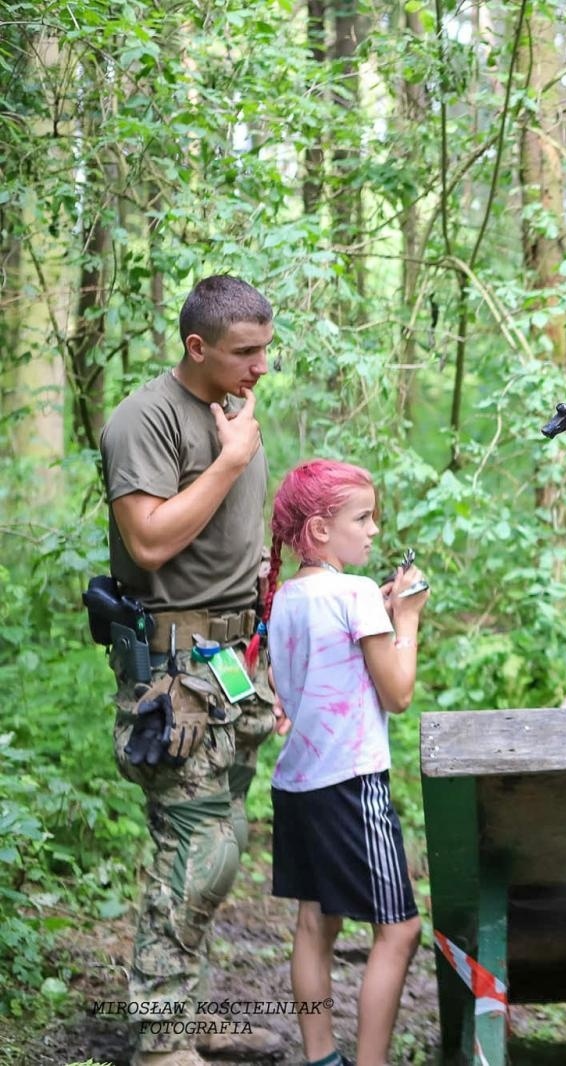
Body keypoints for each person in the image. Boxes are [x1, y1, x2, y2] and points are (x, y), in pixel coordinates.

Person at [100, 275, 283, 1066]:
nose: (261, 367)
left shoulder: (235, 407)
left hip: (232, 667)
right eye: (246, 352)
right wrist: (230, 459)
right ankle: (161, 1041)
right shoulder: (144, 419)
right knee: (195, 851)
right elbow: (146, 542)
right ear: (197, 347)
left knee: (219, 842)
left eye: (267, 349)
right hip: (177, 676)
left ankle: (182, 1010)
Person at [264, 459, 428, 1066]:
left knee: (316, 925)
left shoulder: (285, 598)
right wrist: (404, 618)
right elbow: (399, 692)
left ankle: (321, 1057)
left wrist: (379, 612)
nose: (375, 530)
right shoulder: (357, 594)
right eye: (362, 518)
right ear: (318, 530)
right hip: (351, 786)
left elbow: (306, 668)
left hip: (298, 784)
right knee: (402, 929)